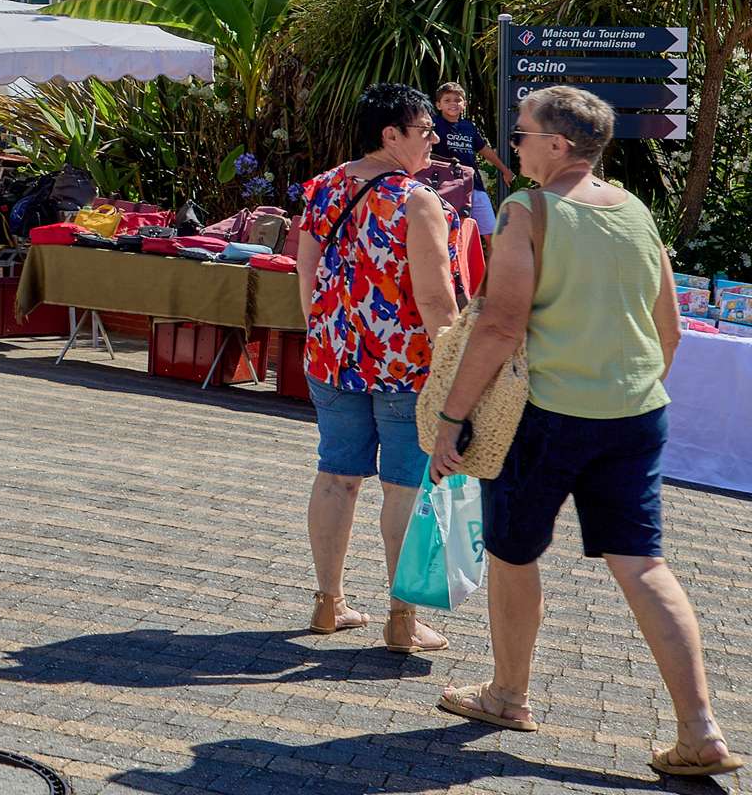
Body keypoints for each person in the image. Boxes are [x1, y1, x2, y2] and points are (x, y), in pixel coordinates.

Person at [429, 86, 740, 778]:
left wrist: (452, 416)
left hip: (547, 415)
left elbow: (502, 323)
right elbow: (671, 329)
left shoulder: (526, 210)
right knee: (642, 563)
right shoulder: (633, 210)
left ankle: (508, 694)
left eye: (523, 133)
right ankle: (701, 730)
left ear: (558, 145)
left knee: (514, 552)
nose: (515, 143)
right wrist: (624, 385)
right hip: (636, 412)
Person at [295, 82, 460, 655]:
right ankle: (401, 618)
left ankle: (328, 603)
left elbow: (307, 280)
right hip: (404, 363)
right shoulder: (419, 201)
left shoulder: (323, 186)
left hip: (332, 358)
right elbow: (437, 301)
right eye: (425, 130)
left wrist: (323, 336)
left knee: (336, 476)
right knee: (403, 489)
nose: (435, 138)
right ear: (391, 135)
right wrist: (458, 369)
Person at [431, 82, 514, 237]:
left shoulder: (469, 127)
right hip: (445, 186)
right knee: (451, 234)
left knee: (491, 234)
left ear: (464, 104)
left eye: (457, 100)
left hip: (474, 185)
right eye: (447, 100)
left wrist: (504, 170)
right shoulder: (433, 125)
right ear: (438, 105)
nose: (453, 104)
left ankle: (490, 262)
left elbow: (484, 149)